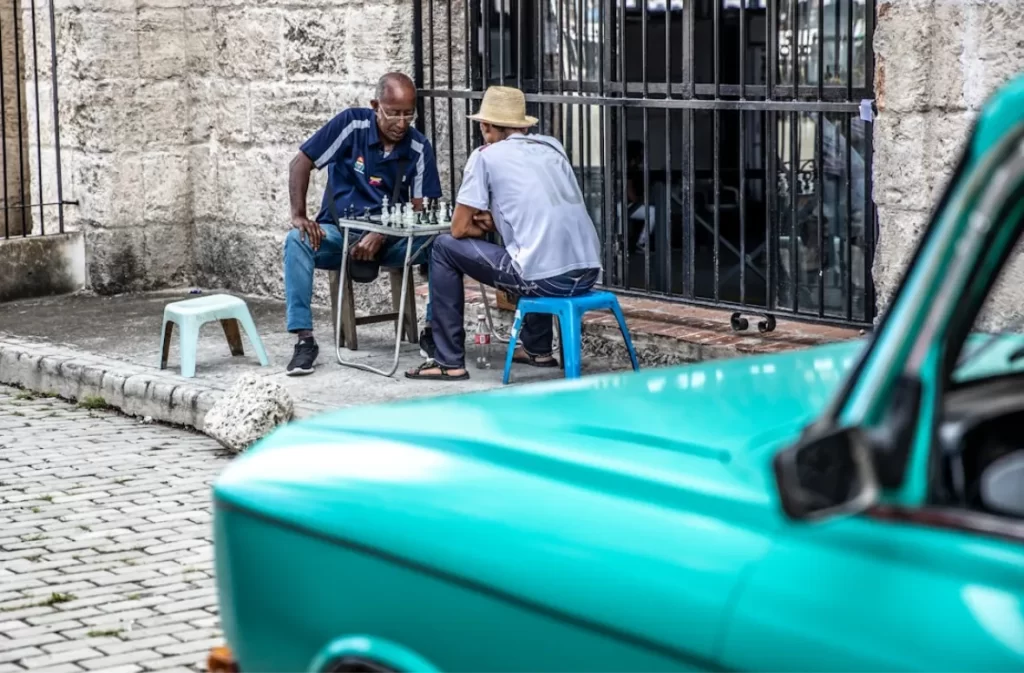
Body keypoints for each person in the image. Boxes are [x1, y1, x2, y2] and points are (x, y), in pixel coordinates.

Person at [405, 86, 602, 381]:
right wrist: (494, 221)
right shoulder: (552, 146)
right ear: (524, 125)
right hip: (588, 273)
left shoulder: (485, 156)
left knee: (443, 247)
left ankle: (448, 361)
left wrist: (480, 224)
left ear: (485, 126)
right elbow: (537, 214)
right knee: (531, 248)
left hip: (546, 281)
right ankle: (537, 349)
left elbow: (458, 229)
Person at [283, 72, 443, 376]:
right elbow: (300, 162)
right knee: (296, 240)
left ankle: (433, 330)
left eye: (409, 113)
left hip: (392, 240)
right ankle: (305, 341)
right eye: (393, 113)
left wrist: (381, 235)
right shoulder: (351, 125)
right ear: (375, 106)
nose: (401, 122)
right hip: (338, 235)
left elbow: (419, 210)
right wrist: (299, 215)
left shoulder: (419, 147)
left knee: (443, 246)